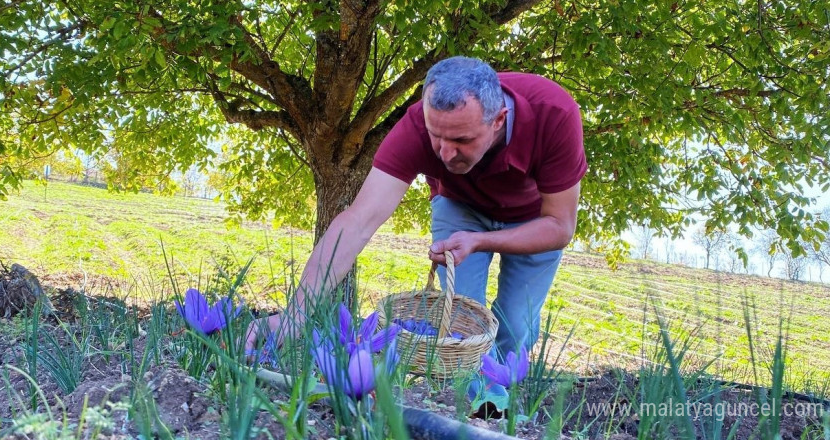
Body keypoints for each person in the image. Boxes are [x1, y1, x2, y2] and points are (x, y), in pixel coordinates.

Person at [247, 56, 586, 366]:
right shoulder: (415, 128)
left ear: (499, 120)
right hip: (460, 205)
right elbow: (357, 221)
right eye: (437, 137)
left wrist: (481, 241)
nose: (446, 154)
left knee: (515, 322)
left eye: (462, 141)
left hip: (534, 219)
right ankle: (470, 404)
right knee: (463, 319)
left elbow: (560, 226)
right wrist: (296, 313)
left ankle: (503, 401)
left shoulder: (554, 113)